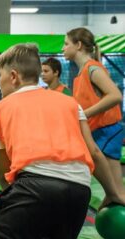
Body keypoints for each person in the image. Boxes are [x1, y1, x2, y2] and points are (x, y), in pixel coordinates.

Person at [0, 43, 125, 239]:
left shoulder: (1, 108)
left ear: (13, 76)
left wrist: (18, 204)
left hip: (32, 189)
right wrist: (114, 193)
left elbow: (3, 170)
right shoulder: (70, 103)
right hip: (78, 192)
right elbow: (94, 152)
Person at [63, 27, 124, 203]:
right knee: (112, 194)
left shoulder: (93, 69)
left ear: (79, 45)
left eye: (66, 44)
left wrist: (84, 114)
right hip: (97, 132)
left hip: (107, 131)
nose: (63, 49)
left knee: (118, 193)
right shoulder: (82, 73)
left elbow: (115, 96)